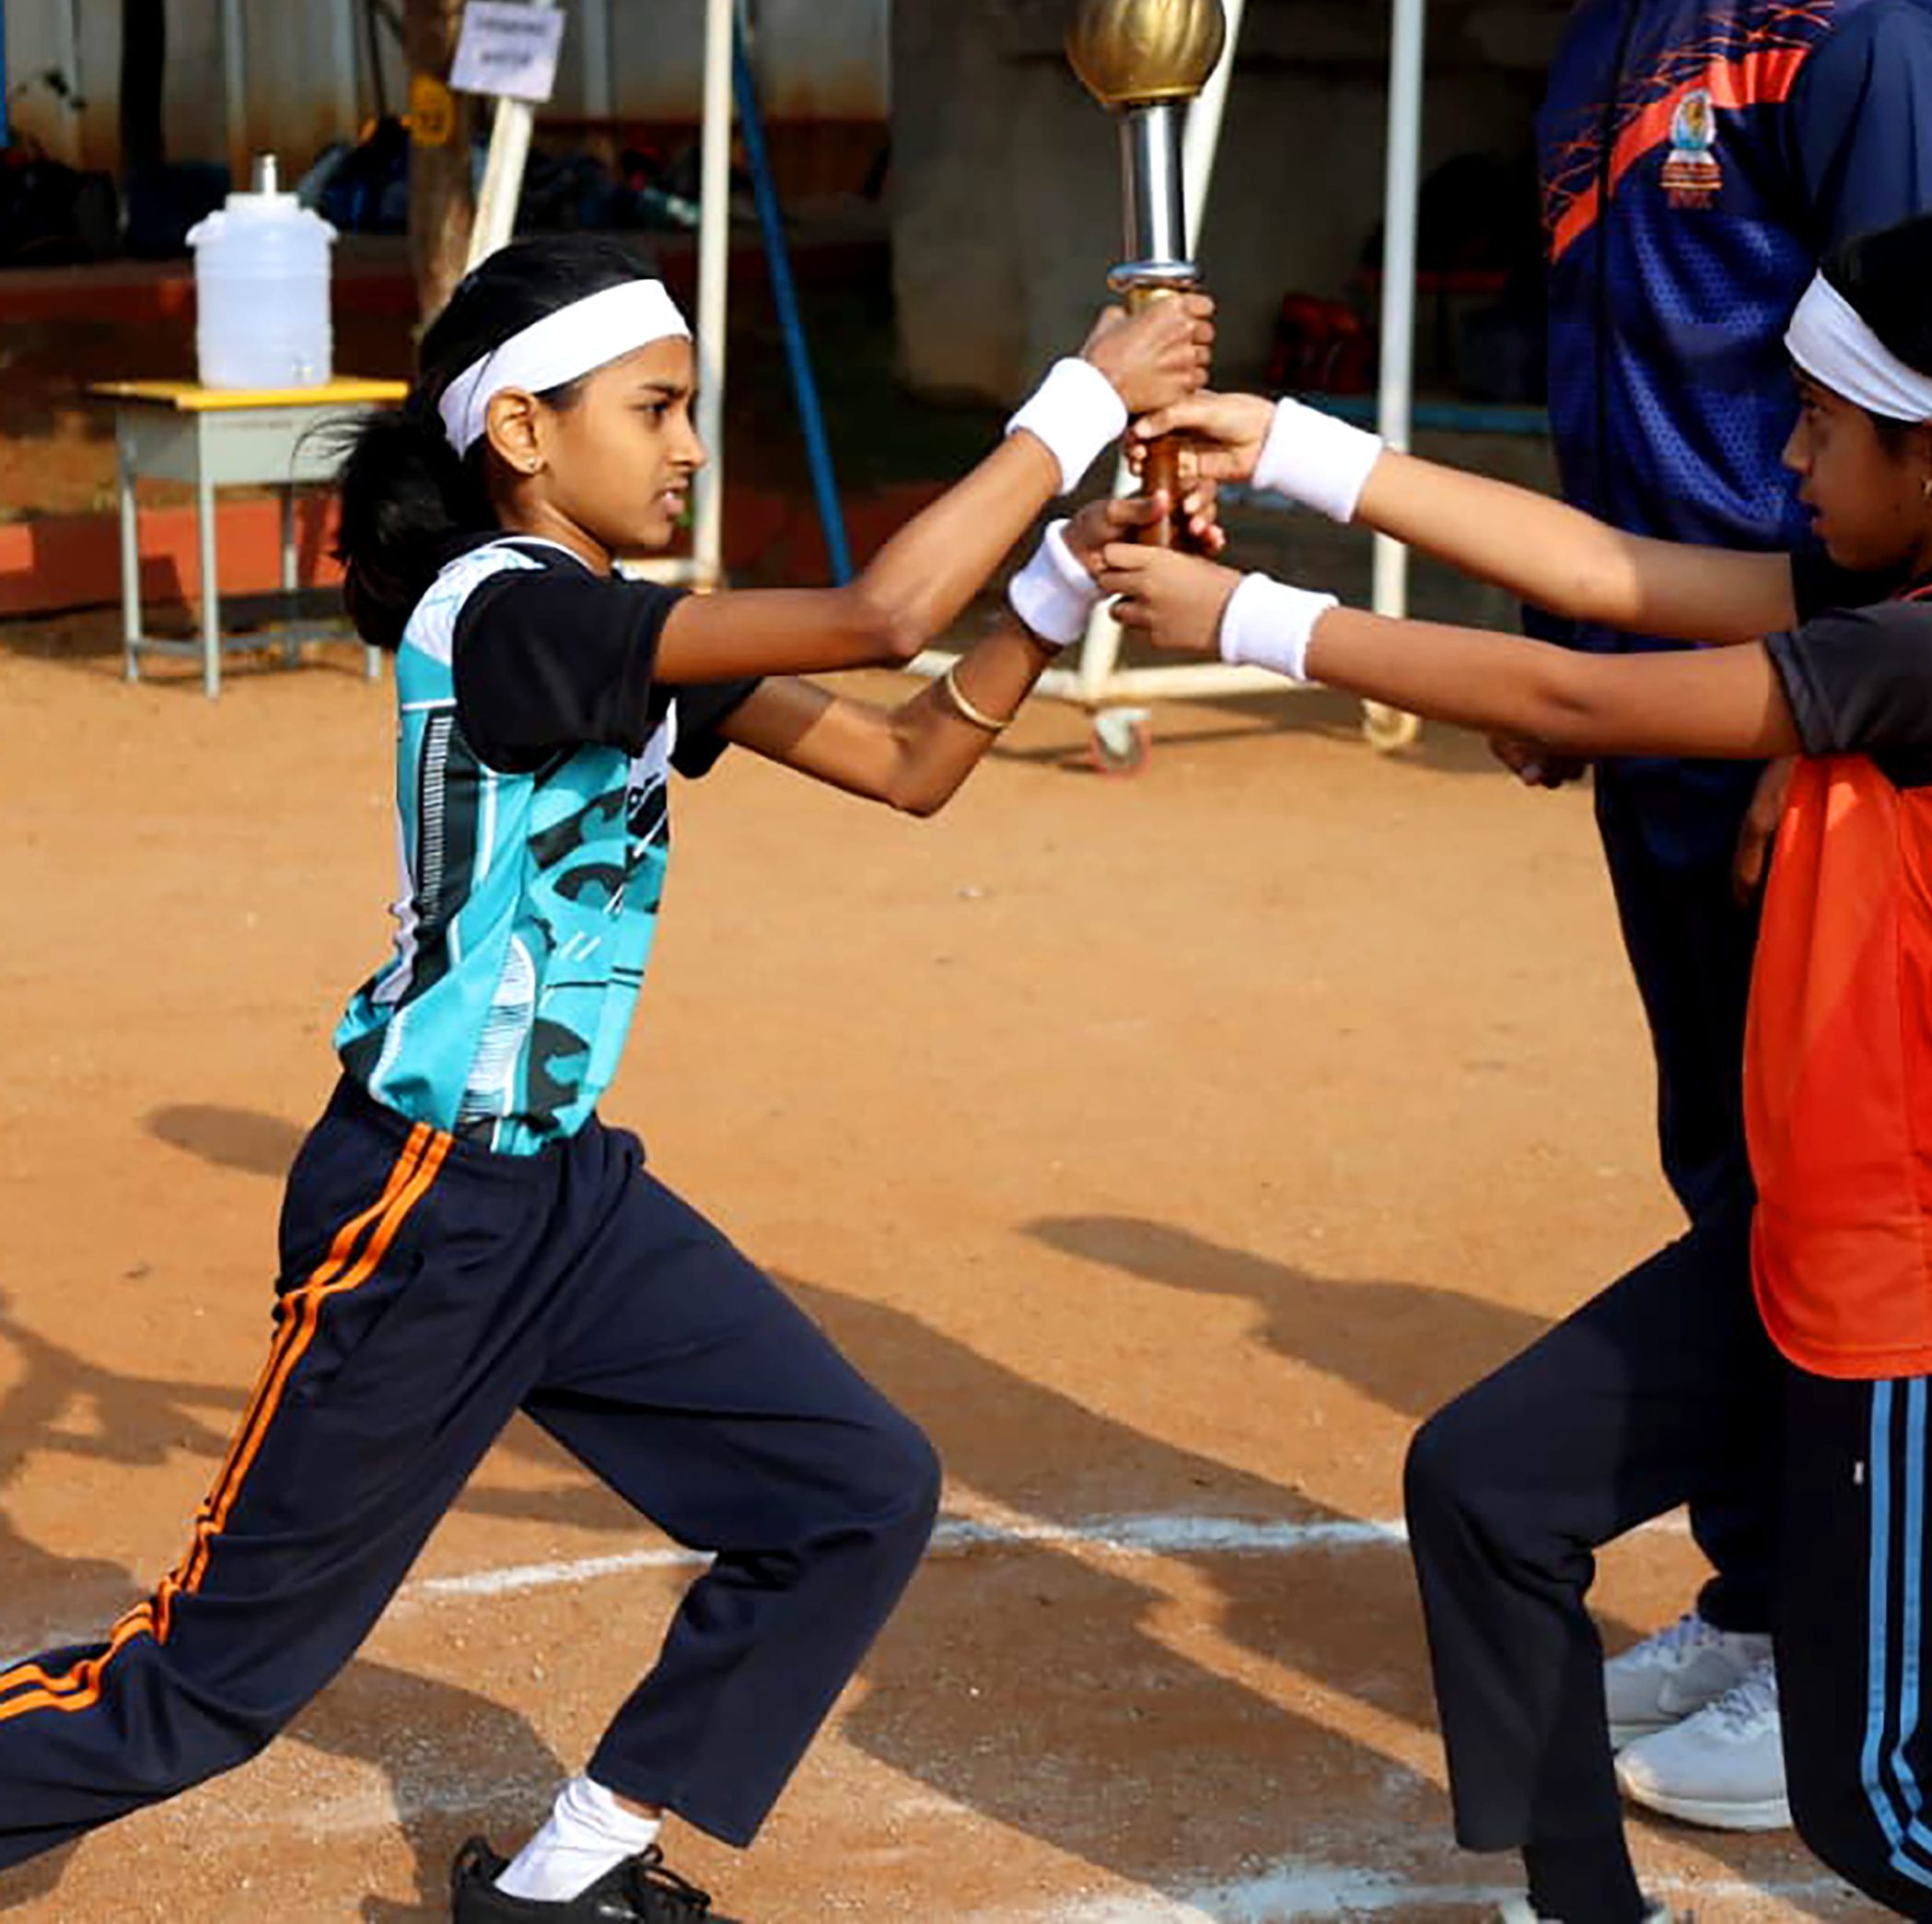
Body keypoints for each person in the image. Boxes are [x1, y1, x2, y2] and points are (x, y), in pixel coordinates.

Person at [0, 235, 1211, 1924]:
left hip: (558, 1193)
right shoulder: (513, 619)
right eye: (653, 409)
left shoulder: (616, 642)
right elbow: (880, 618)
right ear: (522, 431)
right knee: (205, 1691)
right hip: (423, 1208)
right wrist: (1082, 400)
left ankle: (574, 1873)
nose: (690, 446)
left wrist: (1067, 583)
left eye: (691, 410)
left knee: (851, 1491)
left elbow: (909, 757)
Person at [1102, 210, 1932, 1924]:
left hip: (1915, 1304)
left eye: (1816, 424)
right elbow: (1598, 572)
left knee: (1890, 1806)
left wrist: (1252, 617)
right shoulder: (1930, 607)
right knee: (1488, 1487)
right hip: (1816, 1247)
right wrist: (1291, 445)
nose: (1787, 454)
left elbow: (1574, 695)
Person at [1516, 0, 1932, 1829]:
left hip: (1804, 719)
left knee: (1822, 1178)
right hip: (1666, 707)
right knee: (1722, 1156)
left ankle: (1845, 1643)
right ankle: (1752, 1580)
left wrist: (1806, 718)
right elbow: (1614, 391)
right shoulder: (1604, 24)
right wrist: (1594, 684)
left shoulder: (1845, 25)